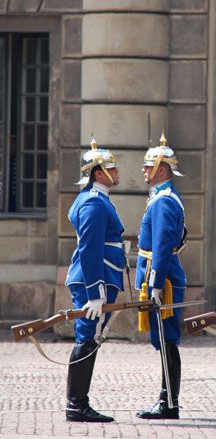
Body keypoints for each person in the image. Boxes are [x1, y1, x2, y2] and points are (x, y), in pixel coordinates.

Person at [65, 137, 126, 423]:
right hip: (95, 280)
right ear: (98, 173)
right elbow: (89, 250)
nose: (117, 173)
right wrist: (95, 292)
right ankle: (77, 405)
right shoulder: (94, 203)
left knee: (89, 338)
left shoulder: (96, 200)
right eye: (112, 168)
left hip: (98, 278)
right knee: (87, 338)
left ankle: (78, 403)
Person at [135, 132, 186, 420]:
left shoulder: (164, 201)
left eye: (147, 166)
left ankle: (169, 403)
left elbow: (163, 246)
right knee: (164, 340)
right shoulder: (161, 198)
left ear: (161, 169)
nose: (143, 170)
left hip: (162, 280)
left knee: (167, 340)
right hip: (159, 277)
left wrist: (154, 284)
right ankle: (168, 400)